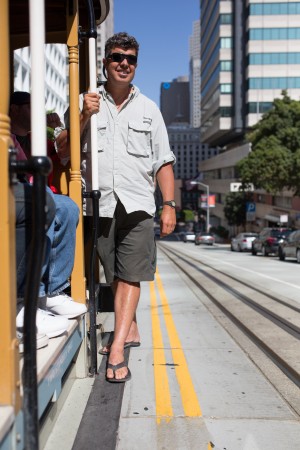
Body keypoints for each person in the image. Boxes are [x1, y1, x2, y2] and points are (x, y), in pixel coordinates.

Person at [56, 32, 176, 382]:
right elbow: (63, 151)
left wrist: (168, 204)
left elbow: (163, 162)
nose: (125, 63)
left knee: (130, 274)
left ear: (136, 65)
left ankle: (119, 345)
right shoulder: (84, 100)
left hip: (138, 205)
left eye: (131, 59)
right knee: (112, 273)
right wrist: (81, 116)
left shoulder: (149, 109)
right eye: (118, 57)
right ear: (105, 62)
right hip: (99, 204)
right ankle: (131, 326)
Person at [10, 91, 87, 339]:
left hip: (32, 190)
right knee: (42, 203)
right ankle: (23, 299)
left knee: (68, 207)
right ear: (14, 109)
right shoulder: (6, 135)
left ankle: (51, 291)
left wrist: (54, 131)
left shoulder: (34, 137)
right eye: (31, 106)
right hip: (14, 194)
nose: (38, 111)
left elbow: (57, 159)